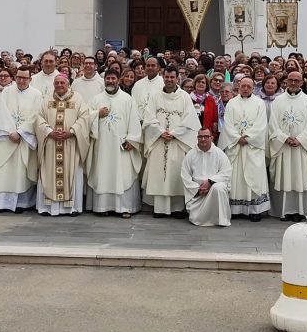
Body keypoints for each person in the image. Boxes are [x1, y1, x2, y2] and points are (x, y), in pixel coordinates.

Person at [142, 67, 199, 217]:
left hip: (178, 142)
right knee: (158, 173)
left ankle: (177, 208)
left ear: (177, 78)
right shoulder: (155, 96)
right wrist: (160, 132)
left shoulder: (184, 97)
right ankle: (159, 209)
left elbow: (190, 121)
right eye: (166, 77)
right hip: (158, 140)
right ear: (163, 77)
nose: (169, 80)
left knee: (176, 173)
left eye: (172, 77)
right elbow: (149, 118)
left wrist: (174, 134)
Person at [86, 69, 142, 217]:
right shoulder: (96, 99)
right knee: (102, 173)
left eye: (113, 78)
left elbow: (134, 121)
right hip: (102, 146)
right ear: (104, 80)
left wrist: (132, 139)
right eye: (108, 78)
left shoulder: (127, 99)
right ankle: (102, 207)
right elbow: (85, 117)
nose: (110, 81)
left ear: (118, 80)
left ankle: (124, 208)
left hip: (121, 145)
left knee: (123, 175)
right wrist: (97, 114)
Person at [34, 73, 90, 216]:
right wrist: (49, 131)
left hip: (70, 144)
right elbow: (39, 118)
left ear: (68, 84)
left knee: (72, 174)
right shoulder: (47, 99)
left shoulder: (77, 99)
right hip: (51, 144)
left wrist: (72, 131)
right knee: (49, 174)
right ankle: (48, 208)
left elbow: (84, 118)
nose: (59, 85)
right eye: (56, 83)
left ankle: (72, 208)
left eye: (62, 83)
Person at [0, 66, 42, 212]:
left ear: (30, 79)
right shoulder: (7, 91)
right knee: (4, 170)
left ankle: (21, 203)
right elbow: (0, 112)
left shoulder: (36, 94)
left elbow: (36, 115)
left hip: (24, 138)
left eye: (25, 78)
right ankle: (2, 204)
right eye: (19, 77)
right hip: (7, 137)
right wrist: (10, 131)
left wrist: (20, 132)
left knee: (21, 172)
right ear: (15, 78)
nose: (21, 80)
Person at [267, 71, 307, 222]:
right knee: (284, 178)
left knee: (300, 178)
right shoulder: (278, 101)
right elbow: (273, 124)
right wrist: (284, 138)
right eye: (291, 80)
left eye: (297, 80)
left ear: (302, 82)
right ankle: (285, 211)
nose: (293, 83)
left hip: (301, 148)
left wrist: (300, 139)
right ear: (286, 81)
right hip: (283, 147)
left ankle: (300, 211)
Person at [218, 76, 270, 221]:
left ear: (253, 88)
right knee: (236, 178)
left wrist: (247, 137)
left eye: (249, 86)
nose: (246, 88)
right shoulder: (232, 103)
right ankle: (236, 209)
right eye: (243, 86)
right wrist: (236, 138)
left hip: (252, 147)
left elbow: (261, 125)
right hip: (236, 146)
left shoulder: (259, 103)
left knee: (254, 176)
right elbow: (227, 124)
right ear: (238, 87)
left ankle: (254, 210)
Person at [180, 128, 232, 226]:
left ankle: (220, 220)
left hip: (213, 191)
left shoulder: (219, 153)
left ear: (211, 138)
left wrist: (210, 182)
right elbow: (185, 176)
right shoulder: (190, 154)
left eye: (206, 136)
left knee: (219, 187)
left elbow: (226, 172)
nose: (203, 139)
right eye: (200, 137)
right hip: (198, 194)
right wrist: (198, 189)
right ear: (197, 138)